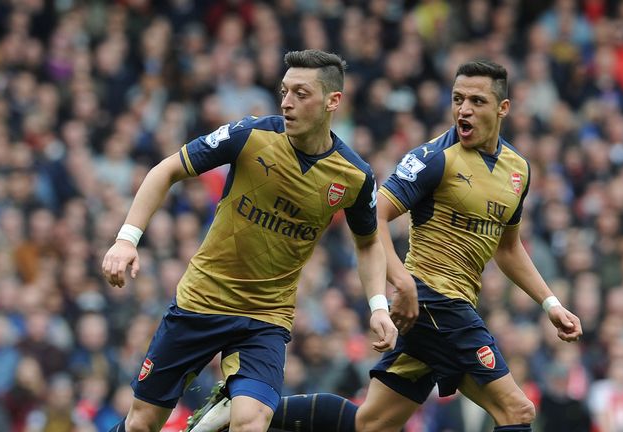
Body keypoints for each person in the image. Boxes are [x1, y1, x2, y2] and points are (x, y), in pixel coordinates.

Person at [188, 59, 583, 432]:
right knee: (518, 409)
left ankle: (242, 411)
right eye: (458, 99)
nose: (463, 110)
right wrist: (402, 282)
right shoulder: (432, 159)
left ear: (503, 108)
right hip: (435, 301)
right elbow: (374, 217)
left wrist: (551, 303)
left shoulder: (518, 169)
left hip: (443, 307)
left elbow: (508, 248)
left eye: (477, 101)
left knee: (372, 424)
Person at [100, 49, 398, 432]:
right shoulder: (251, 135)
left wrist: (377, 306)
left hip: (264, 317)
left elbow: (369, 242)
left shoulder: (354, 176)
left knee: (252, 422)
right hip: (202, 301)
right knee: (142, 423)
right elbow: (167, 169)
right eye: (284, 91)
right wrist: (127, 239)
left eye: (301, 94)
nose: (287, 103)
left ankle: (221, 418)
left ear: (333, 101)